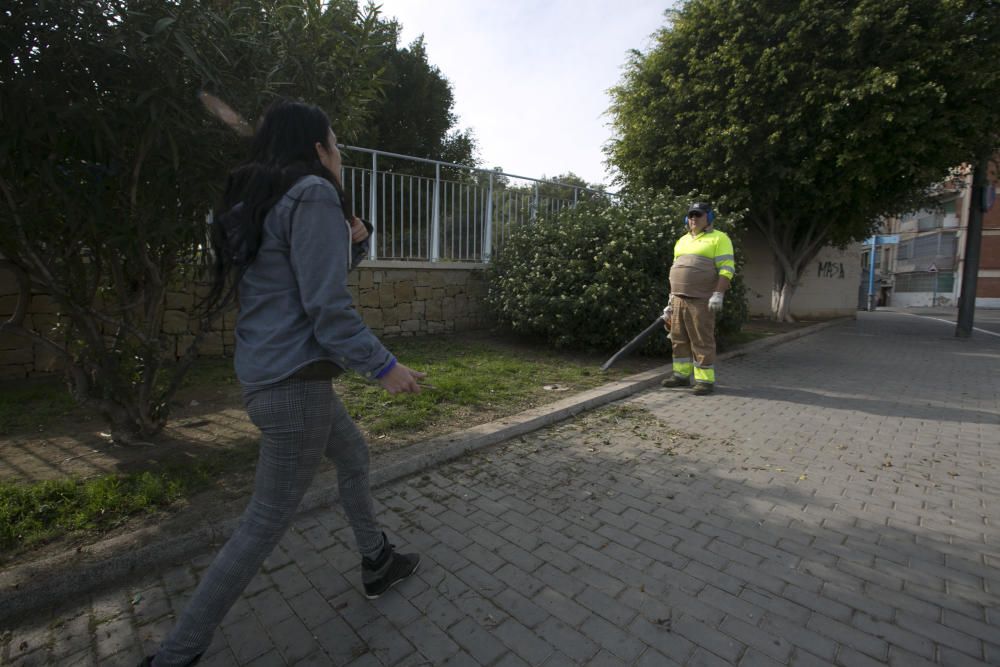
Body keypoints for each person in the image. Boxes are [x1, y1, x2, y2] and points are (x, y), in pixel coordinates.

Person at [140, 100, 424, 667]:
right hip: (296, 387)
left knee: (353, 456)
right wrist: (383, 365)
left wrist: (357, 243)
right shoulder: (315, 192)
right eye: (337, 146)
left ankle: (377, 558)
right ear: (318, 149)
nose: (340, 157)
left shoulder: (259, 202)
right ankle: (176, 653)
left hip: (269, 376)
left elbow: (300, 282)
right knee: (265, 521)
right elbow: (326, 306)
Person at [661, 202, 735, 395]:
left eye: (698, 215)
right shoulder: (682, 240)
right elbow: (676, 271)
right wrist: (670, 301)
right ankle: (681, 375)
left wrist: (718, 294)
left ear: (708, 218)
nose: (694, 219)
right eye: (691, 215)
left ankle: (704, 381)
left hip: (701, 300)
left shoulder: (720, 239)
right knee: (678, 339)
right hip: (678, 299)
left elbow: (727, 269)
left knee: (701, 340)